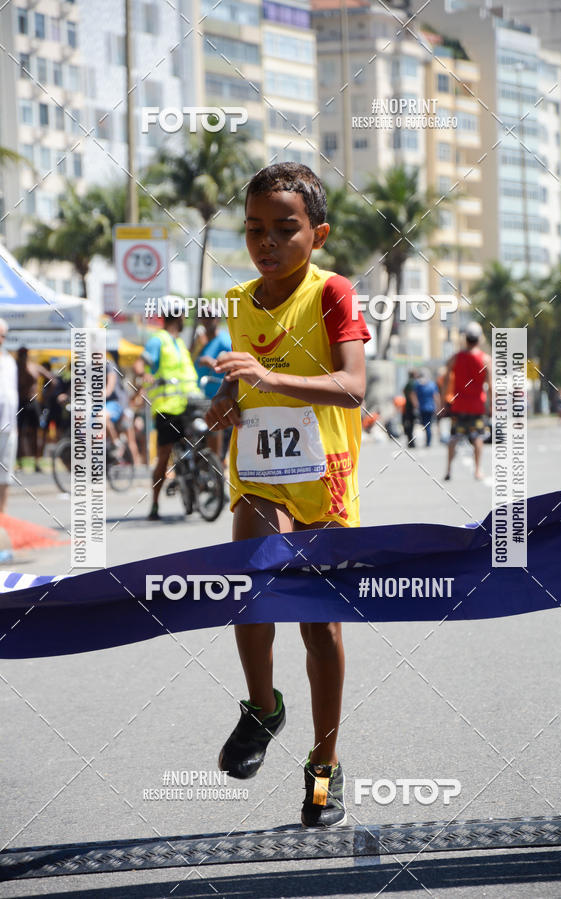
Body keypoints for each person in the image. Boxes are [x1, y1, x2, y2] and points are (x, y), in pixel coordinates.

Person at [205, 162, 370, 828]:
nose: (265, 241)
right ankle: (262, 706)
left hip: (324, 482)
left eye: (283, 228)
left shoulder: (333, 293)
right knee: (249, 579)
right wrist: (225, 401)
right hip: (260, 476)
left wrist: (268, 376)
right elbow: (242, 386)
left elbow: (353, 385)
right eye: (253, 229)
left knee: (320, 628)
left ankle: (323, 770)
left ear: (318, 233)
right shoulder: (239, 302)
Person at [143, 301, 200, 520]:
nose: (185, 320)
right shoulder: (158, 340)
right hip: (167, 408)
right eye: (183, 316)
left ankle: (197, 483)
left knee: (200, 441)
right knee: (164, 456)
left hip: (188, 405)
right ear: (178, 317)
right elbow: (143, 364)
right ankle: (155, 504)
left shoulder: (179, 343)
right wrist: (145, 374)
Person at [442, 322, 492, 481]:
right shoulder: (485, 359)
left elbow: (446, 376)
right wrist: (492, 405)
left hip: (459, 404)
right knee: (477, 437)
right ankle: (477, 470)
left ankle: (449, 470)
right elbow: (491, 385)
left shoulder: (456, 357)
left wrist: (444, 399)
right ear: (479, 339)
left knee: (454, 437)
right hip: (477, 406)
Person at [192, 312, 232, 458]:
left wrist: (215, 363)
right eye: (203, 316)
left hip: (219, 402)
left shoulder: (225, 341)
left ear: (218, 318)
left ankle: (219, 473)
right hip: (201, 401)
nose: (207, 320)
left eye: (211, 316)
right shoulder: (201, 342)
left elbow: (234, 366)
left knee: (217, 454)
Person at [16, 347, 51, 472]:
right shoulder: (16, 368)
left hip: (33, 402)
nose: (23, 357)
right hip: (20, 402)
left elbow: (51, 379)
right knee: (19, 432)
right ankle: (20, 462)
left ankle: (37, 461)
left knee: (37, 432)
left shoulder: (34, 367)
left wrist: (45, 395)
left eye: (24, 354)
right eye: (21, 354)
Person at [0, 320, 18, 513]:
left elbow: (12, 394)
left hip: (8, 424)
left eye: (4, 335)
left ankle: (2, 517)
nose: (2, 339)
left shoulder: (9, 361)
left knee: (5, 473)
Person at [411, 368, 440, 448]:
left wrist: (415, 405)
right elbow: (436, 396)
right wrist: (438, 406)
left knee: (425, 425)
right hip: (430, 407)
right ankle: (428, 441)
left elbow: (413, 395)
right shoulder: (432, 384)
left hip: (422, 408)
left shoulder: (417, 384)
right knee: (428, 425)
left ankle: (428, 441)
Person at [402, 370, 418, 448]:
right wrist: (416, 405)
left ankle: (410, 441)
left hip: (408, 406)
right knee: (410, 425)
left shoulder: (409, 383)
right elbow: (412, 395)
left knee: (409, 424)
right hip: (411, 407)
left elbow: (404, 391)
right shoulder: (412, 383)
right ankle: (411, 442)